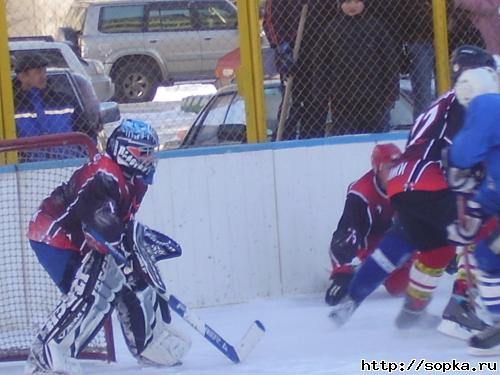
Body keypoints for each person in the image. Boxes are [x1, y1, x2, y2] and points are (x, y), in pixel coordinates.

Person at [328, 45, 497, 331]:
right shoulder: (468, 100)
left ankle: (366, 302)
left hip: (402, 182)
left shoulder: (438, 102)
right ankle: (461, 303)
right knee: (482, 227)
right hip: (432, 178)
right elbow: (461, 153)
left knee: (426, 246)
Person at [24, 119, 191, 374]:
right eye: (143, 153)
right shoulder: (104, 175)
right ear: (126, 151)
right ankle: (47, 351)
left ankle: (147, 343)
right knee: (92, 292)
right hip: (56, 237)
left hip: (84, 237)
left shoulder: (134, 178)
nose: (149, 158)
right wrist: (128, 253)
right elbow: (101, 229)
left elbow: (119, 225)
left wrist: (136, 258)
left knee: (130, 284)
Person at [448, 66, 500, 355]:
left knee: (489, 252)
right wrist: (479, 208)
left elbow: (465, 153)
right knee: (486, 253)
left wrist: (452, 159)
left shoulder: (487, 105)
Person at [325, 143, 413, 306]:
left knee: (400, 287)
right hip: (373, 246)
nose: (395, 173)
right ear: (377, 168)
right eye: (389, 168)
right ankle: (359, 271)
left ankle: (371, 271)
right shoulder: (361, 195)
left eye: (398, 168)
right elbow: (345, 234)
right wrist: (341, 272)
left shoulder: (409, 186)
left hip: (400, 243)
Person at [313, 0, 400, 135]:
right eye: (347, 2)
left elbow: (389, 61)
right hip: (342, 97)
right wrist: (321, 92)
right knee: (345, 135)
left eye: (356, 2)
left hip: (373, 95)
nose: (352, 6)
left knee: (376, 134)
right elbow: (321, 63)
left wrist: (391, 90)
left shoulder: (375, 27)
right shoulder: (332, 29)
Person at [263, 0, 338, 139]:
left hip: (320, 53)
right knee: (293, 103)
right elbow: (270, 21)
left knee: (317, 103)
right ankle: (285, 140)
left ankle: (313, 139)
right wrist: (282, 46)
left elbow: (334, 14)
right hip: (294, 54)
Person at [12, 52, 91, 161]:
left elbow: (86, 132)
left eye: (44, 71)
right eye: (38, 72)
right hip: (28, 168)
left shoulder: (65, 102)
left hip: (70, 163)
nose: (43, 76)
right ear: (23, 76)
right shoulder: (12, 107)